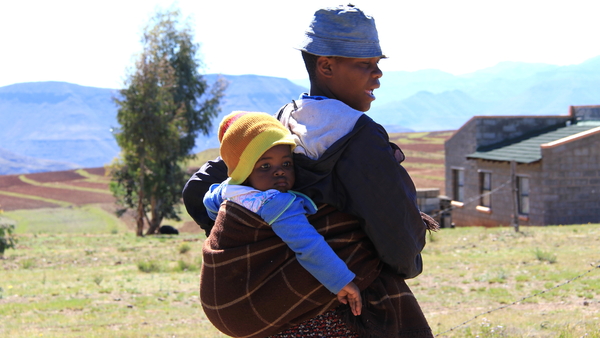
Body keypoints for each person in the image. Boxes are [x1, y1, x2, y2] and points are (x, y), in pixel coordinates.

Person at [184, 4, 437, 337]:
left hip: (283, 310)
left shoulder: (283, 121)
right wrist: (398, 265)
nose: (378, 75)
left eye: (377, 65)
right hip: (349, 309)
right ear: (326, 65)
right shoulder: (360, 138)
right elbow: (398, 236)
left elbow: (199, 187)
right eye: (365, 65)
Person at [202, 111, 362, 317]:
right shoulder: (275, 203)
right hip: (250, 305)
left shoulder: (227, 191)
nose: (279, 172)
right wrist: (341, 281)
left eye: (286, 164)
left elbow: (210, 203)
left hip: (222, 297)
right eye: (265, 166)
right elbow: (308, 244)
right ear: (244, 171)